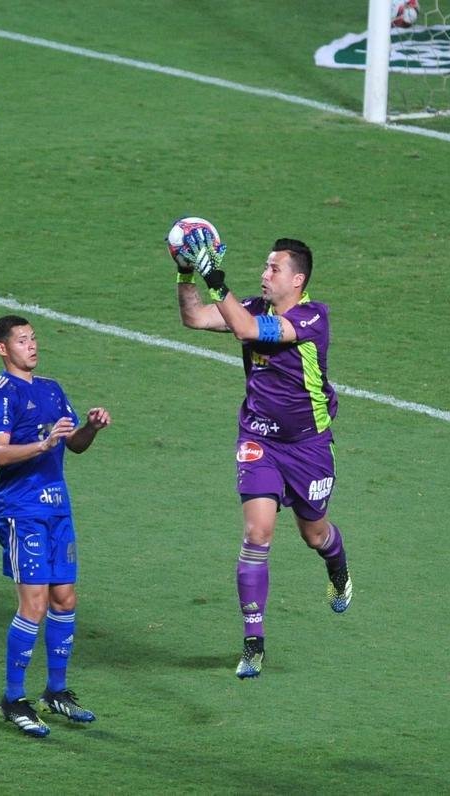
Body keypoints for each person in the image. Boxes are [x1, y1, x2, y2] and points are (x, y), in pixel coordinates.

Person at [174, 229, 351, 679]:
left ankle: (337, 567)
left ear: (298, 280)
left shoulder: (313, 318)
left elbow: (248, 331)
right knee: (257, 534)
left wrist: (217, 281)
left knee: (314, 534)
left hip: (309, 446)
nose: (265, 273)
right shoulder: (252, 306)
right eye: (265, 266)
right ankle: (253, 642)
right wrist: (185, 272)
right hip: (258, 440)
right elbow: (194, 318)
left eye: (274, 268)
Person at [0, 314, 112, 737]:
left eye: (34, 338)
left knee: (65, 598)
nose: (32, 346)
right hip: (22, 510)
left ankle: (56, 691)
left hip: (58, 509)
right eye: (22, 340)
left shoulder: (52, 389)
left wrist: (90, 427)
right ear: (3, 349)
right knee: (33, 604)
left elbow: (75, 445)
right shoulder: (0, 394)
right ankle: (12, 698)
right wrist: (43, 444)